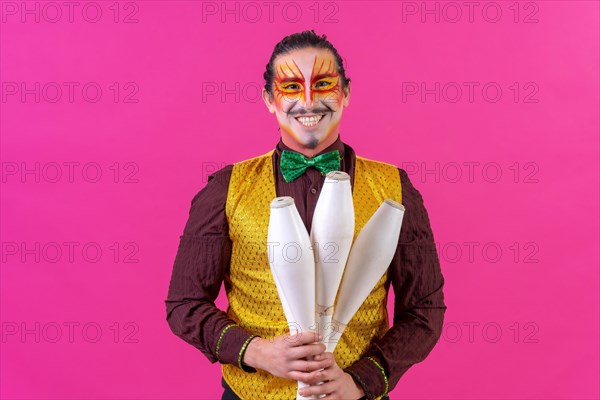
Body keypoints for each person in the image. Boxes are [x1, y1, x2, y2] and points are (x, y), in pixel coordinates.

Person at [165, 30, 447, 400]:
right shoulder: (226, 188)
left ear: (345, 92)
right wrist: (256, 351)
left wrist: (360, 381)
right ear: (269, 99)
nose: (309, 102)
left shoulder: (395, 188)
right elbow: (184, 304)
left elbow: (425, 311)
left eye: (324, 84)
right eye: (292, 87)